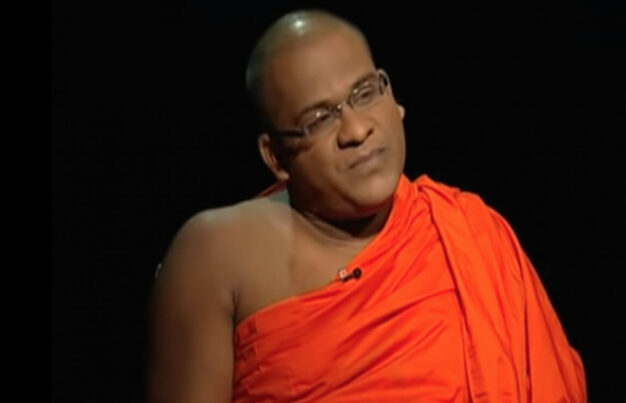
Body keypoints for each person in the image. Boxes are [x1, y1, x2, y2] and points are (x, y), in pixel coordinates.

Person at [148, 9, 586, 403]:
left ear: (392, 96)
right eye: (319, 119)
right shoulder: (217, 256)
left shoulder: (470, 235)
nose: (357, 130)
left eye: (364, 93)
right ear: (275, 157)